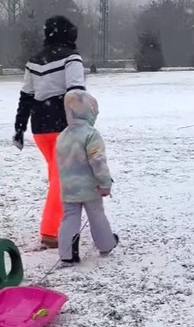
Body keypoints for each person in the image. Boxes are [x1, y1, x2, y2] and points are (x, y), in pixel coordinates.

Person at [12, 15, 86, 248]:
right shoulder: (71, 59)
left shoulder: (34, 60)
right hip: (62, 123)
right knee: (60, 178)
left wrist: (19, 126)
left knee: (56, 173)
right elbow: (75, 92)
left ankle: (59, 226)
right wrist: (81, 123)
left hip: (39, 125)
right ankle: (51, 231)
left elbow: (26, 96)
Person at [55, 90, 118, 264]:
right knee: (97, 215)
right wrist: (105, 183)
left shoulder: (62, 136)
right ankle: (106, 244)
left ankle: (67, 254)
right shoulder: (91, 134)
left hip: (68, 187)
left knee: (69, 219)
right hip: (90, 187)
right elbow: (97, 161)